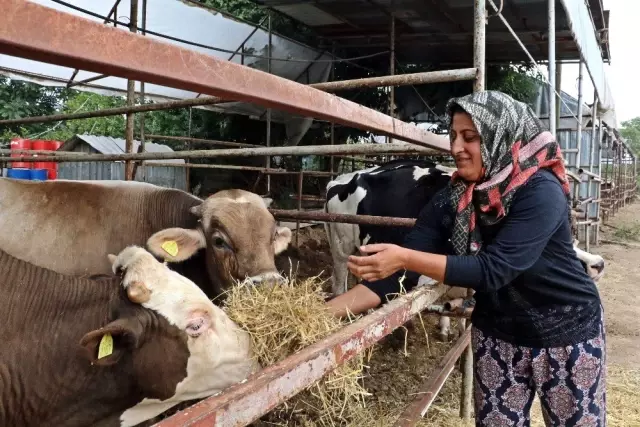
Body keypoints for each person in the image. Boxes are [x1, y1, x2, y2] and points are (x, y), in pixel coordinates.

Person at [326, 90, 606, 426]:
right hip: (497, 335)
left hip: (567, 335)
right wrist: (316, 317)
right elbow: (395, 278)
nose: (456, 147)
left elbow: (494, 270)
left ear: (499, 136)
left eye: (470, 137)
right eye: (453, 135)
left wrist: (404, 258)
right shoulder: (453, 199)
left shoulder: (540, 190)